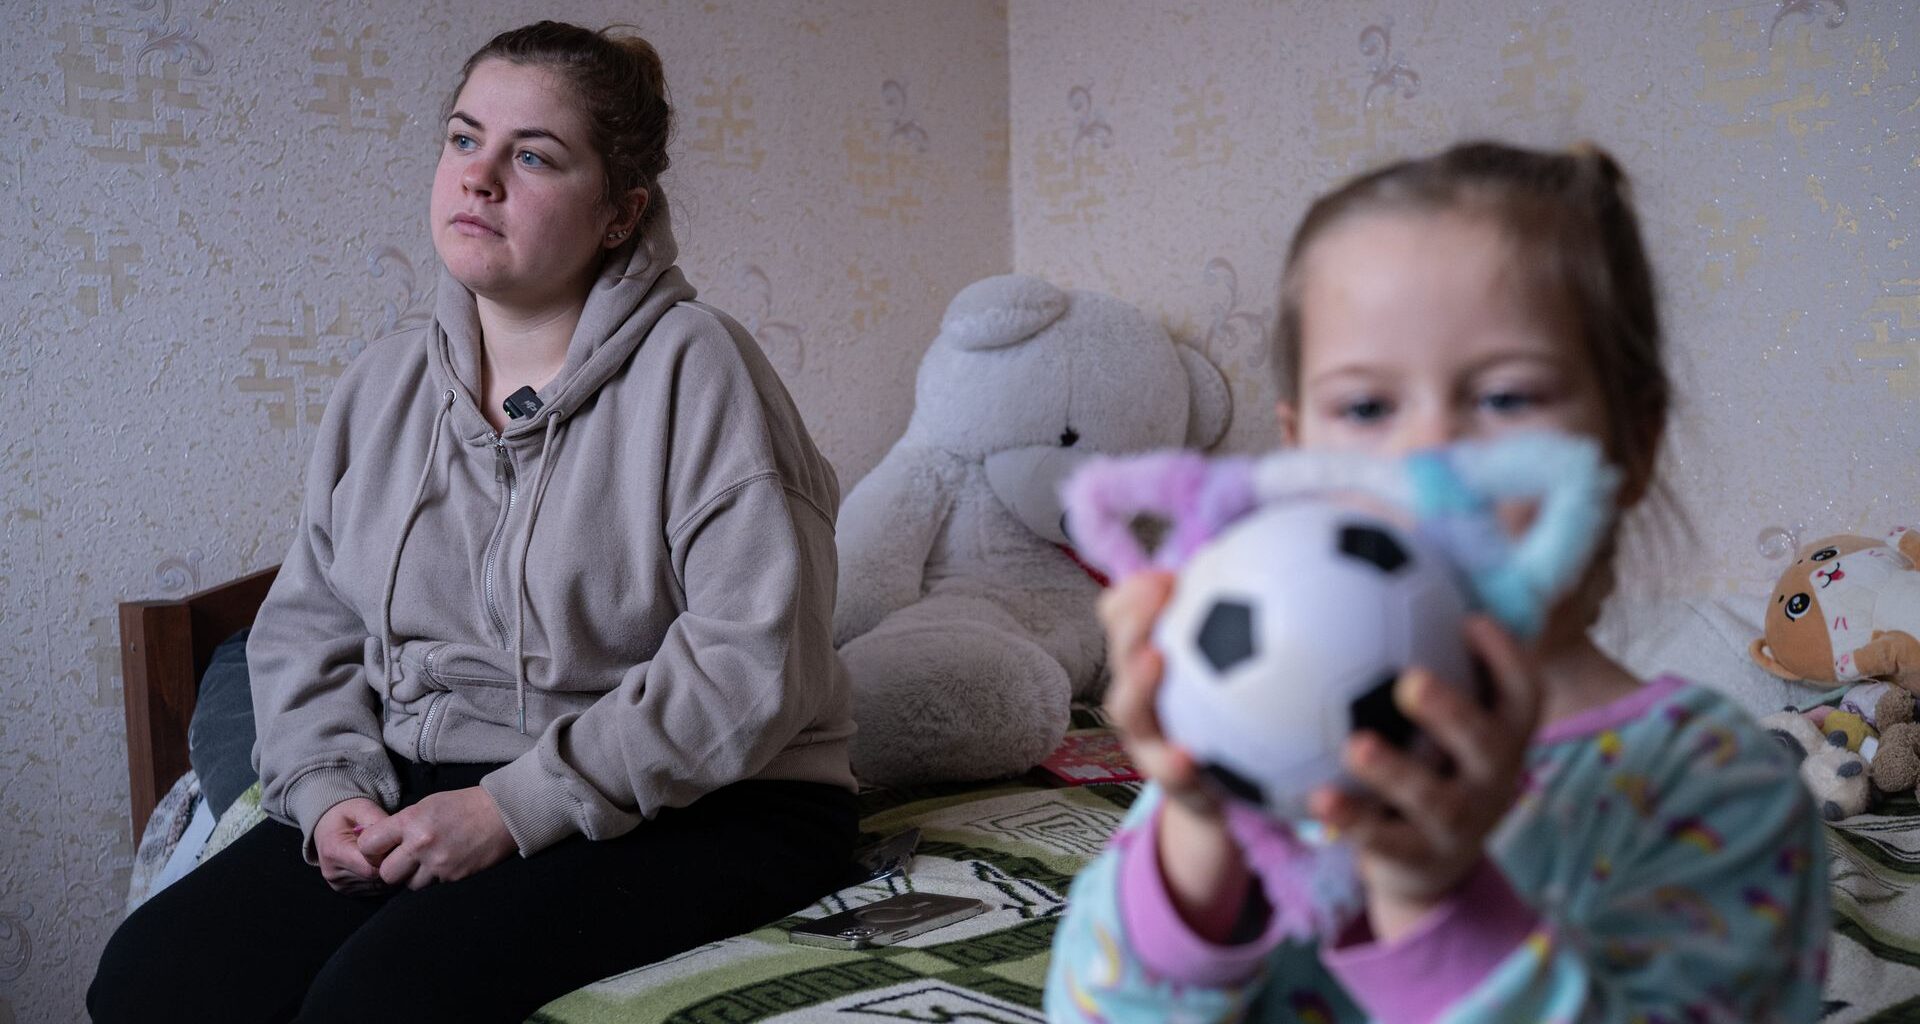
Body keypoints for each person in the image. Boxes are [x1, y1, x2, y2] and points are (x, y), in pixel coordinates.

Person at [90, 21, 857, 1022]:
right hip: (435, 777)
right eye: (464, 139)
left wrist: (512, 807)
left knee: (379, 999)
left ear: (622, 213)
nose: (481, 176)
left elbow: (754, 660)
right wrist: (331, 796)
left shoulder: (700, 370)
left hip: (713, 797)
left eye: (533, 155)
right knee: (153, 976)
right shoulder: (382, 386)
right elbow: (307, 627)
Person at [1044, 142, 1830, 1023]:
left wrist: (1436, 903)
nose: (1427, 459)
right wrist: (1202, 832)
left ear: (1631, 446)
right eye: (1369, 409)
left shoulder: (1718, 786)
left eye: (1505, 398)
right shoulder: (1250, 737)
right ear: (1300, 452)